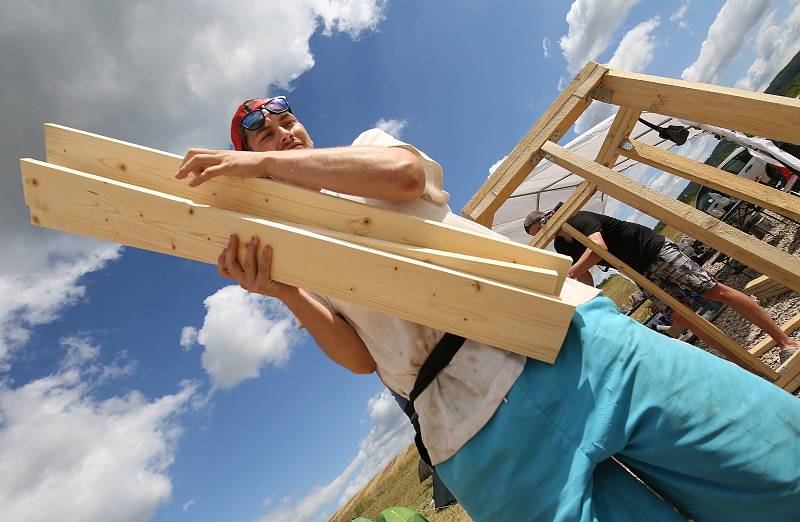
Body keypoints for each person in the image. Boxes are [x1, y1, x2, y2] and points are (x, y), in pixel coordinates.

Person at [174, 96, 800, 522]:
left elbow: (403, 177)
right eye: (263, 133)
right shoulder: (289, 249)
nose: (282, 134)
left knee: (775, 466)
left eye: (285, 123)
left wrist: (263, 161)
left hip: (568, 341)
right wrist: (285, 291)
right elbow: (363, 360)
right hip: (472, 432)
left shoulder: (363, 153)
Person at [523, 209, 799, 365]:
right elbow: (584, 274)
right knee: (683, 318)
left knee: (714, 290)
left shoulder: (577, 218)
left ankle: (785, 341)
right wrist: (581, 291)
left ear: (548, 218)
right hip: (640, 272)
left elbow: (598, 249)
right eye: (540, 237)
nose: (546, 235)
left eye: (542, 229)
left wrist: (571, 272)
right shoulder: (561, 244)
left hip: (655, 251)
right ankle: (744, 363)